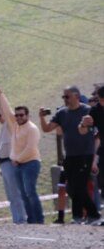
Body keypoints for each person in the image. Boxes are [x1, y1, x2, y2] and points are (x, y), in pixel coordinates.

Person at [40, 86, 100, 224]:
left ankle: (93, 215)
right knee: (72, 187)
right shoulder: (62, 113)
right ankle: (78, 217)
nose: (65, 99)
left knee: (79, 186)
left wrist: (94, 160)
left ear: (77, 96)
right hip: (70, 155)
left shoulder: (87, 111)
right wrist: (42, 117)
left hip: (85, 154)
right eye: (63, 97)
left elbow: (88, 133)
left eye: (67, 96)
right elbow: (47, 128)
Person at [0, 84, 43, 224]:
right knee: (24, 194)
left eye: (22, 115)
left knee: (30, 192)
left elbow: (30, 147)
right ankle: (31, 220)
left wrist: (17, 159)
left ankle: (39, 220)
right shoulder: (15, 126)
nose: (19, 117)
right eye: (17, 115)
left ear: (27, 115)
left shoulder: (32, 128)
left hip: (30, 163)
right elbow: (7, 110)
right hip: (18, 164)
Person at [0, 111, 26, 224]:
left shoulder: (10, 127)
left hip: (10, 162)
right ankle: (16, 219)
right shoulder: (3, 129)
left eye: (0, 115)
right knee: (11, 195)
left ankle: (21, 219)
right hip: (4, 164)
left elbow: (5, 107)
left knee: (15, 193)